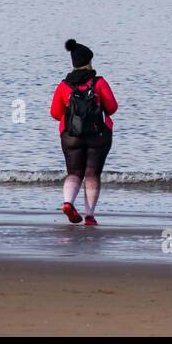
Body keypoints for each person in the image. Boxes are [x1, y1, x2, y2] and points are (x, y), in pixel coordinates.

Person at [50, 38, 118, 226]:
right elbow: (112, 108)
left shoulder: (64, 85)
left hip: (71, 135)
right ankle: (89, 216)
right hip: (99, 135)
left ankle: (68, 203)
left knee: (73, 172)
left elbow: (55, 113)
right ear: (88, 62)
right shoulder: (99, 82)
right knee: (92, 173)